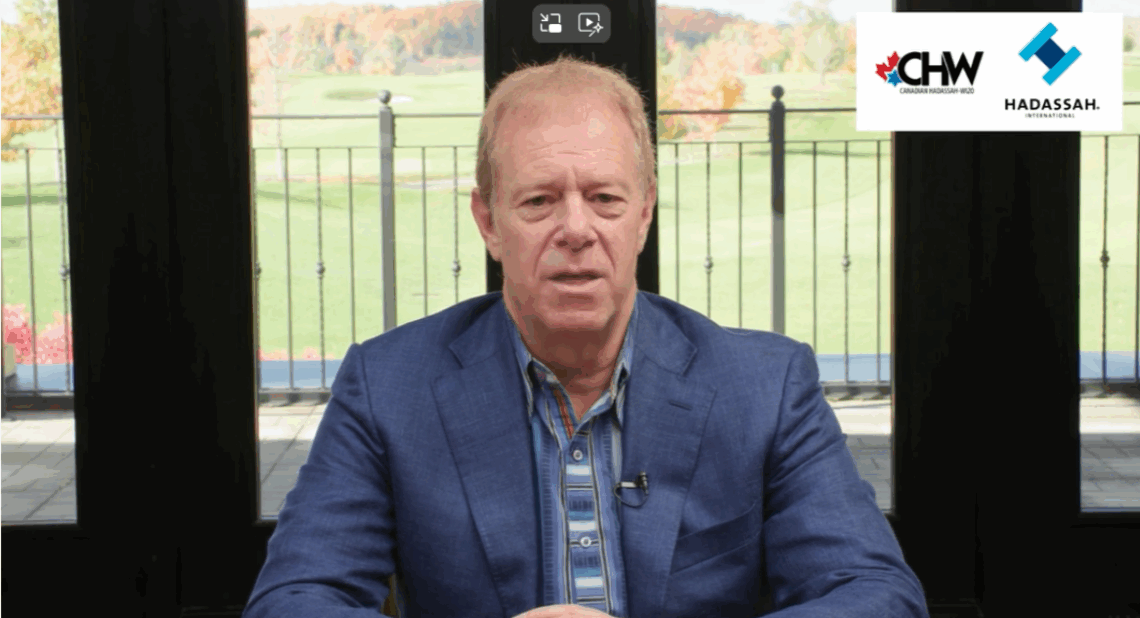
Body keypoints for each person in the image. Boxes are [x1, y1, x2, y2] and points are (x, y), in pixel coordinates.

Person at [243, 54, 929, 618]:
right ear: (488, 222)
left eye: (605, 198)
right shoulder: (388, 387)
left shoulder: (766, 386)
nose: (576, 229)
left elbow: (877, 595)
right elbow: (292, 600)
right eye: (539, 200)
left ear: (644, 214)